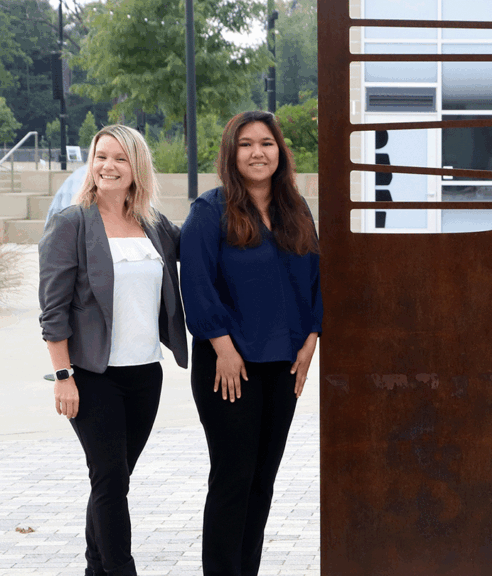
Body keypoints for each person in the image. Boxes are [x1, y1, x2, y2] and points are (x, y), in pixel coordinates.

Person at [38, 124, 188, 576]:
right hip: (91, 376)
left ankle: (94, 569)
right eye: (101, 156)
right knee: (109, 481)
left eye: (120, 158)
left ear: (137, 166)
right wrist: (63, 377)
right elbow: (53, 310)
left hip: (145, 375)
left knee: (113, 481)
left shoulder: (154, 225)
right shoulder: (71, 224)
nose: (108, 166)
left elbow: (202, 247)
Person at [180, 110, 322, 576]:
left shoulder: (295, 211)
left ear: (280, 151)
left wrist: (311, 340)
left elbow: (318, 280)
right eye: (245, 144)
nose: (257, 152)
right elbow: (197, 285)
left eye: (266, 142)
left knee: (263, 480)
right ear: (231, 153)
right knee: (233, 479)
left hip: (283, 364)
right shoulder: (209, 211)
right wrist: (222, 346)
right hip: (229, 364)